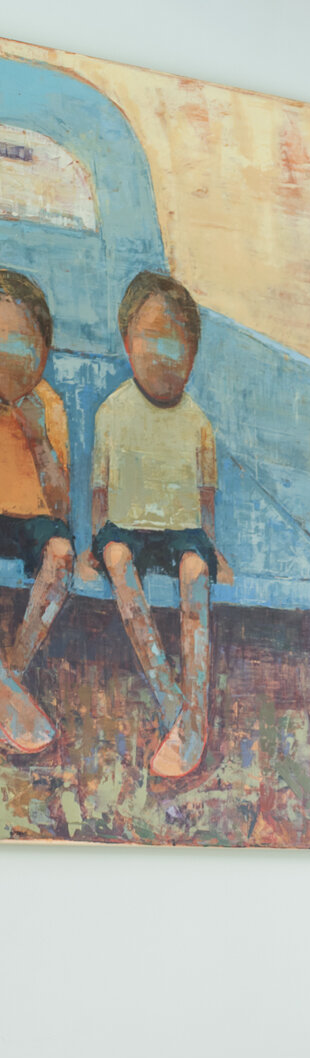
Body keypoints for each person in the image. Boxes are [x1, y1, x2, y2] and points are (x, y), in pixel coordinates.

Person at [81, 270, 232, 780]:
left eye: (177, 341)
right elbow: (99, 490)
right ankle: (172, 702)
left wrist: (213, 549)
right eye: (150, 336)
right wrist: (94, 541)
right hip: (125, 528)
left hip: (179, 531)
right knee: (117, 558)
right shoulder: (111, 413)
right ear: (127, 342)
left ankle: (198, 710)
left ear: (193, 354)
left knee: (195, 570)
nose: (164, 352)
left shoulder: (198, 424)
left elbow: (205, 499)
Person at [0, 270, 74, 757]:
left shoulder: (47, 405)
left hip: (32, 521)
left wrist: (38, 439)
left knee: (62, 553)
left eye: (22, 342)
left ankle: (11, 675)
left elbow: (62, 504)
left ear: (44, 351)